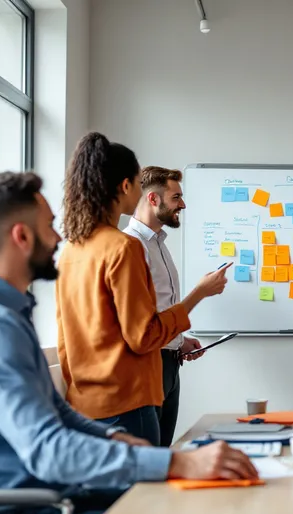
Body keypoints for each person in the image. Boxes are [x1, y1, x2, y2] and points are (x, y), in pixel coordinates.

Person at [0, 171, 257, 514]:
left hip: (51, 496)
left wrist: (115, 438)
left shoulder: (2, 313)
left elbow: (57, 413)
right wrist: (176, 463)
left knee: (190, 503)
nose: (58, 238)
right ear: (22, 237)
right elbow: (48, 450)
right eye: (49, 226)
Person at [56, 132, 231, 444]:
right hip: (127, 402)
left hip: (85, 403)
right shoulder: (124, 247)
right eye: (138, 183)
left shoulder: (72, 249)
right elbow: (143, 336)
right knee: (154, 475)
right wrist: (198, 294)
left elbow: (70, 337)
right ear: (126, 186)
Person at [123, 166, 204, 446]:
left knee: (164, 450)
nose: (183, 204)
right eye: (176, 197)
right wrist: (201, 292)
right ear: (153, 199)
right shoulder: (131, 246)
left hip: (170, 363)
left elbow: (158, 307)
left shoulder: (159, 244)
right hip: (148, 364)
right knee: (152, 455)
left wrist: (179, 341)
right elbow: (136, 322)